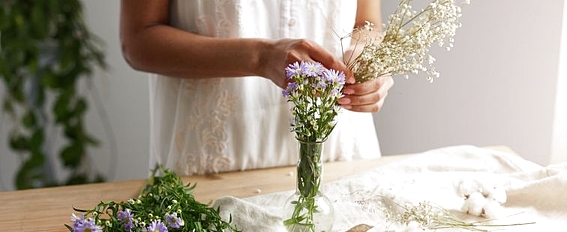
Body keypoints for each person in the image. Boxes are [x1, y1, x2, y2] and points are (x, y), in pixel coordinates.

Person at [120, 0, 394, 175]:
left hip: (342, 159)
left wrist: (370, 62)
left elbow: (366, 24)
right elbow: (138, 40)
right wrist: (260, 57)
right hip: (212, 170)